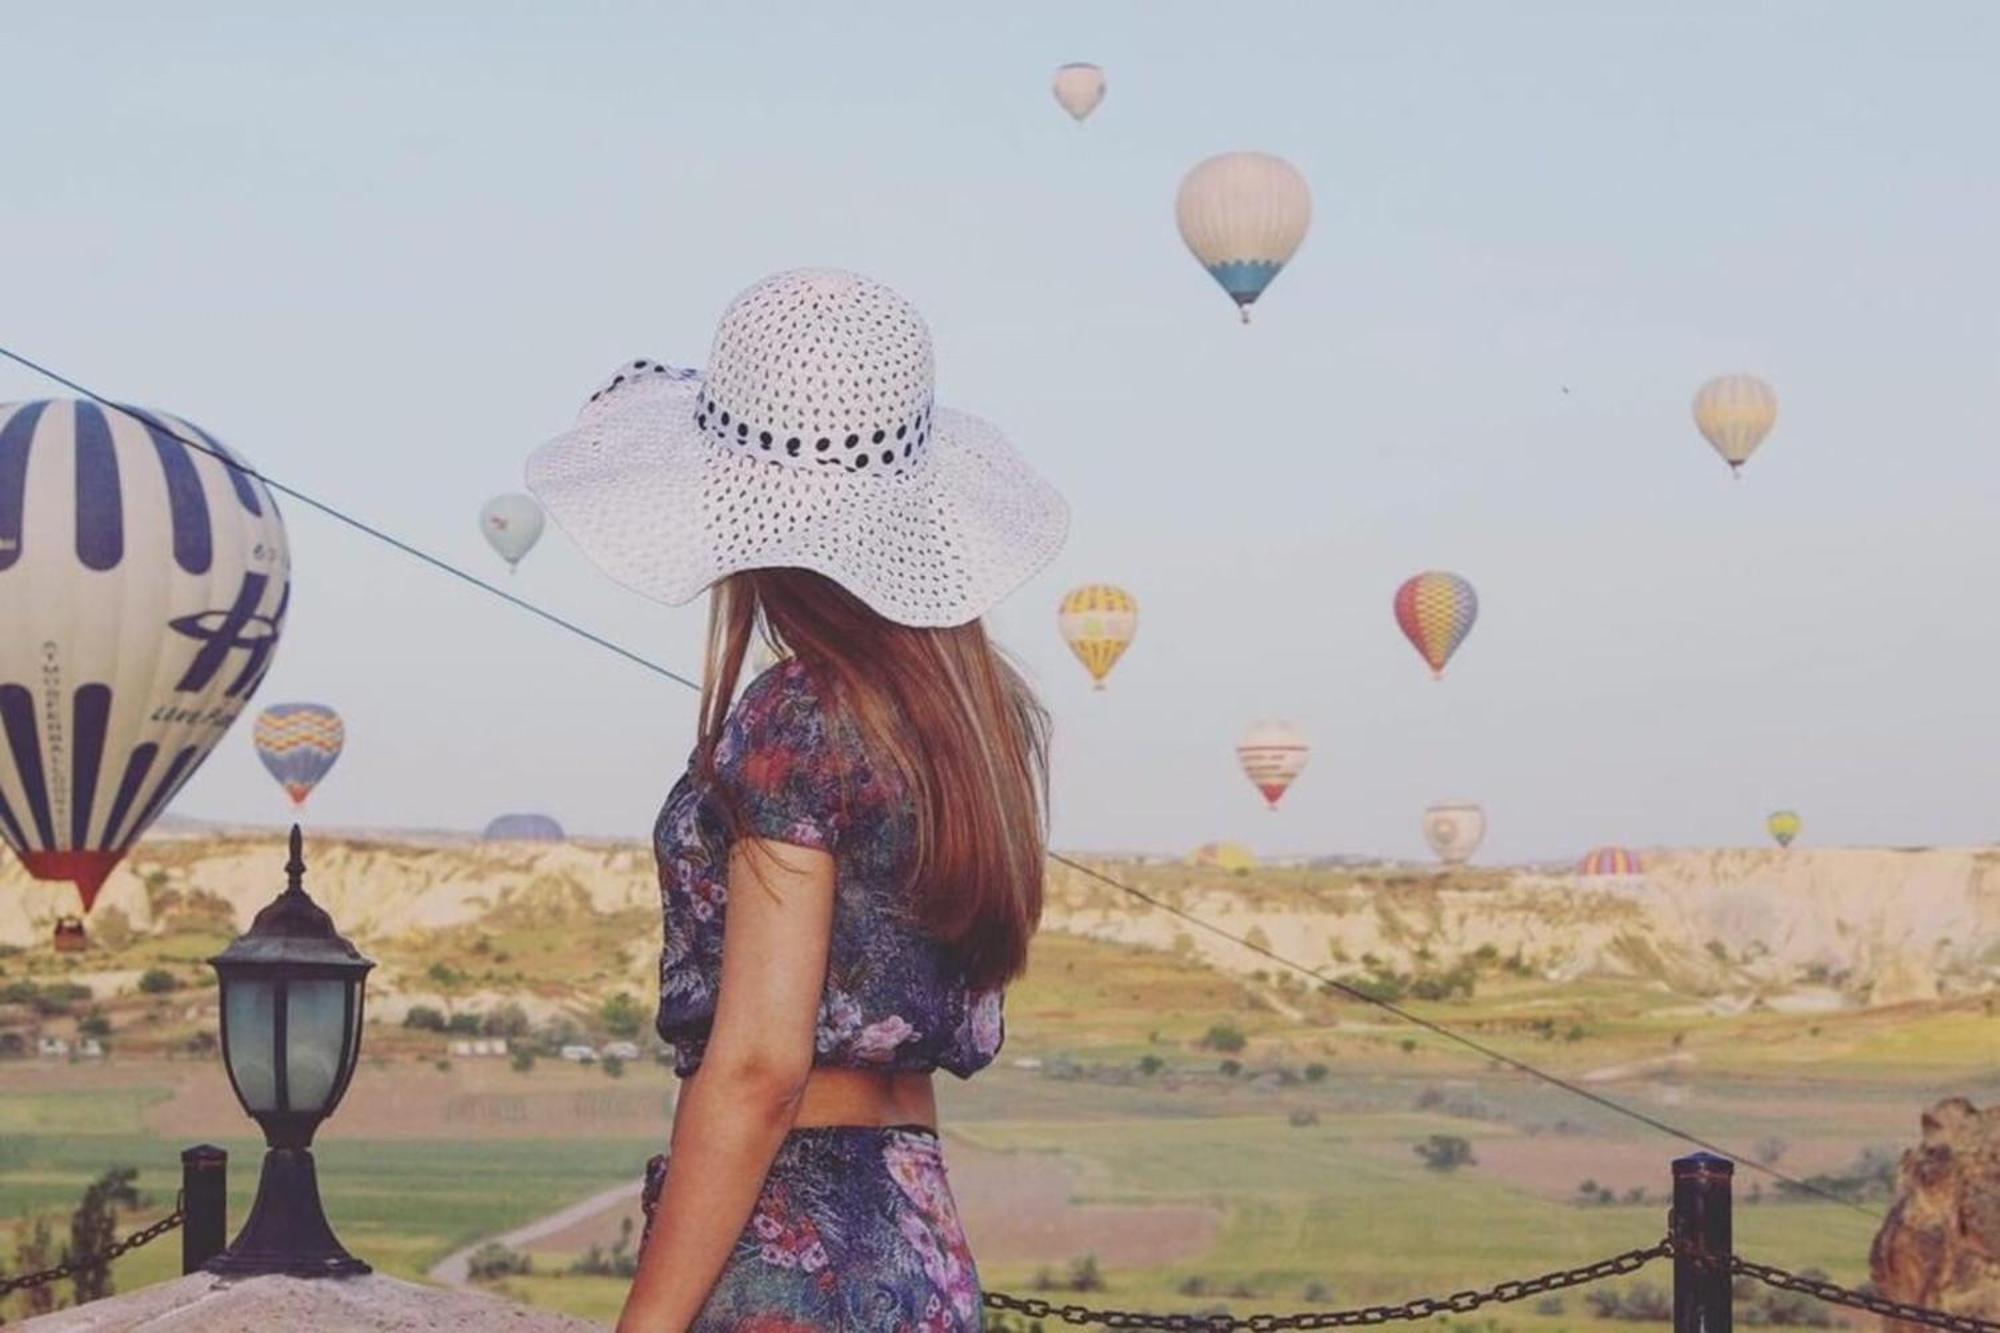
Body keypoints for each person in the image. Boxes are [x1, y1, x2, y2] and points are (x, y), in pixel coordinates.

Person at [528, 269, 1069, 1331]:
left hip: (794, 1248)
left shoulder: (794, 716)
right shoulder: (974, 717)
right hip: (920, 1244)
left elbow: (758, 1069)